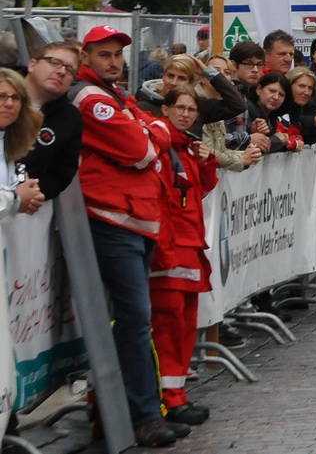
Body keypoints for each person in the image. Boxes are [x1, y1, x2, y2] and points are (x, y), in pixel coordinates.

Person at [71, 26, 182, 448]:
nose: (114, 61)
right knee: (134, 320)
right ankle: (141, 415)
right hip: (114, 220)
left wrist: (149, 131)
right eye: (104, 54)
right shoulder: (93, 99)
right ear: (87, 56)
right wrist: (150, 132)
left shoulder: (117, 96)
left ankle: (134, 411)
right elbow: (143, 149)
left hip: (135, 219)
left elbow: (156, 134)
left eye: (117, 54)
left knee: (137, 321)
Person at [146, 84, 217, 428]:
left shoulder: (186, 147)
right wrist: (162, 250)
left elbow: (202, 188)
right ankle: (165, 401)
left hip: (189, 248)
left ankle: (176, 396)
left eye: (191, 109)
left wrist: (206, 160)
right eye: (181, 107)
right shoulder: (162, 145)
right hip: (171, 249)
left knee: (185, 325)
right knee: (167, 326)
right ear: (166, 109)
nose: (186, 113)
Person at [21, 42, 82, 208]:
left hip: (29, 210)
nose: (61, 71)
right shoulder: (5, 94)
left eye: (70, 70)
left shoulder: (69, 118)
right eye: (55, 62)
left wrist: (36, 193)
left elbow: (62, 172)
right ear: (33, 64)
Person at [0, 68, 43, 220]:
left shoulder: (9, 144)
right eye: (1, 96)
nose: (9, 103)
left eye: (16, 97)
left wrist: (30, 197)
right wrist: (16, 198)